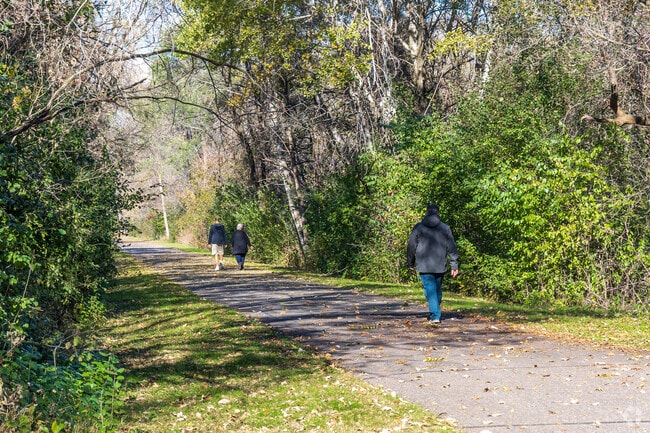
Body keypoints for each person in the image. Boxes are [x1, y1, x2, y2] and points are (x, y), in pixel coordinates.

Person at [407, 204, 459, 325]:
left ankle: (435, 315)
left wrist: (410, 262)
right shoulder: (445, 228)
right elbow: (452, 247)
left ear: (426, 213)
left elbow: (411, 246)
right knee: (436, 289)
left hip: (424, 264)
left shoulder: (419, 227)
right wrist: (454, 265)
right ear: (438, 213)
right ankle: (435, 311)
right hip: (440, 264)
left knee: (430, 290)